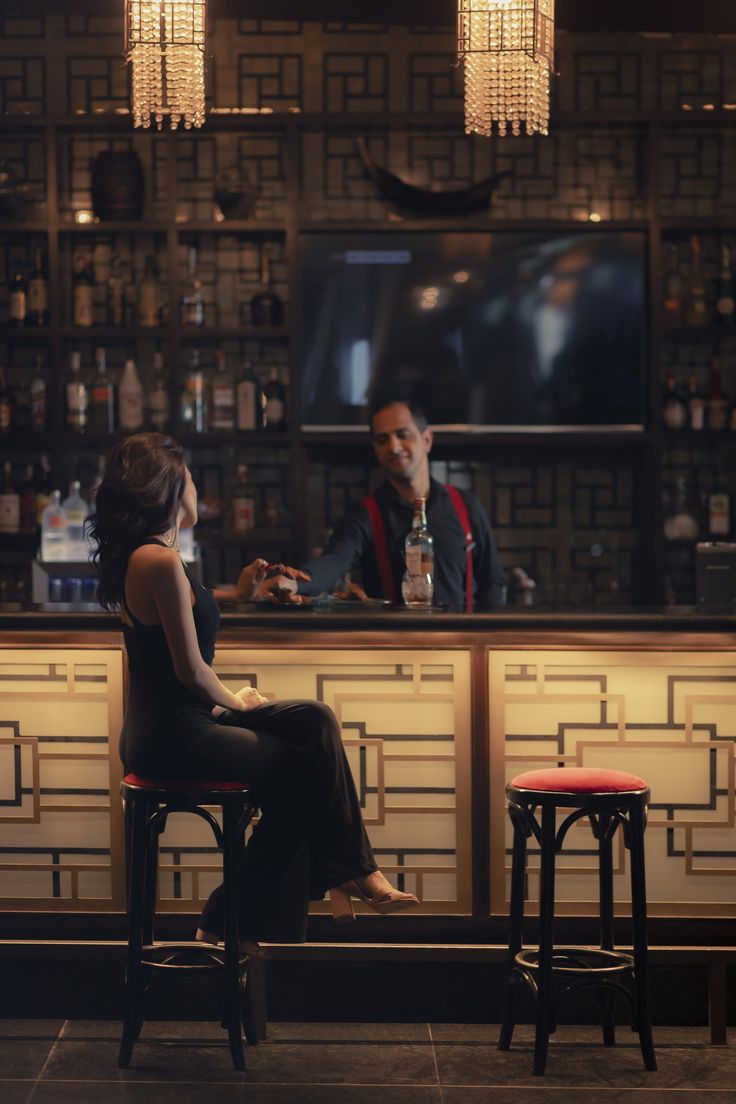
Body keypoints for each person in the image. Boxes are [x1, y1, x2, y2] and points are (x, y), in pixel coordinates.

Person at [87, 432, 417, 946]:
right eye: (191, 476)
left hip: (181, 724)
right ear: (170, 487)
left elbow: (181, 611)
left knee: (315, 720)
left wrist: (235, 593)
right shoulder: (159, 561)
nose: (196, 485)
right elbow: (191, 670)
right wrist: (237, 699)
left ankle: (348, 871)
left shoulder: (152, 558)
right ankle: (248, 909)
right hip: (173, 734)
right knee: (303, 773)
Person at [264, 397, 506, 609]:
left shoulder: (466, 506)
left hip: (462, 649)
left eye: (403, 434)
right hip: (394, 650)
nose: (393, 446)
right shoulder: (365, 514)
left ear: (427, 440)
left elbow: (492, 583)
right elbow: (335, 560)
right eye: (382, 439)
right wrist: (297, 580)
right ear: (376, 449)